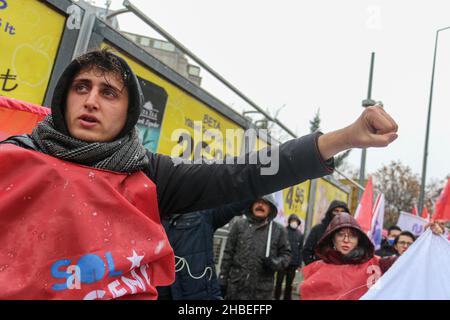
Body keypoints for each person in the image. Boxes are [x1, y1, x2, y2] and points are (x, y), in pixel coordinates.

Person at [0, 48, 399, 299]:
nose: (90, 100)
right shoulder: (15, 158)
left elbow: (244, 174)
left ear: (128, 112)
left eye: (108, 92)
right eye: (81, 87)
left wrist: (345, 137)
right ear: (63, 96)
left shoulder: (150, 176)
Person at [300, 213, 444, 300]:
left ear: (359, 240)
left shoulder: (377, 264)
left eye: (352, 236)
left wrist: (427, 238)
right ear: (332, 238)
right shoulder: (317, 269)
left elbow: (408, 262)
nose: (346, 240)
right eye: (340, 234)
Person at [156, 201, 250, 300]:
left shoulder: (203, 214)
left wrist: (257, 186)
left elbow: (236, 201)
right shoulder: (148, 215)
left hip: (199, 294)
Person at [218, 195, 291, 300]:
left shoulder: (278, 230)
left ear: (270, 208)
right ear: (251, 205)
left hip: (262, 292)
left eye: (264, 203)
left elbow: (286, 255)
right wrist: (222, 279)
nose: (260, 205)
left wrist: (275, 262)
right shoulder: (239, 225)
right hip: (235, 289)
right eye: (257, 201)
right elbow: (228, 254)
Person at [302, 200, 350, 265]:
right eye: (336, 211)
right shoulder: (318, 229)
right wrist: (313, 267)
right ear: (330, 212)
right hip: (320, 270)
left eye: (342, 211)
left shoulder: (350, 231)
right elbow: (307, 251)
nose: (339, 214)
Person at [274, 214, 304, 300]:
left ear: (298, 223)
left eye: (295, 221)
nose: (294, 223)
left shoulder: (300, 235)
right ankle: (276, 297)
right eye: (292, 221)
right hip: (282, 262)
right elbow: (278, 246)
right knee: (279, 282)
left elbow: (300, 249)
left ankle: (287, 298)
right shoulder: (283, 231)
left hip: (293, 263)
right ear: (289, 221)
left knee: (289, 284)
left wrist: (299, 264)